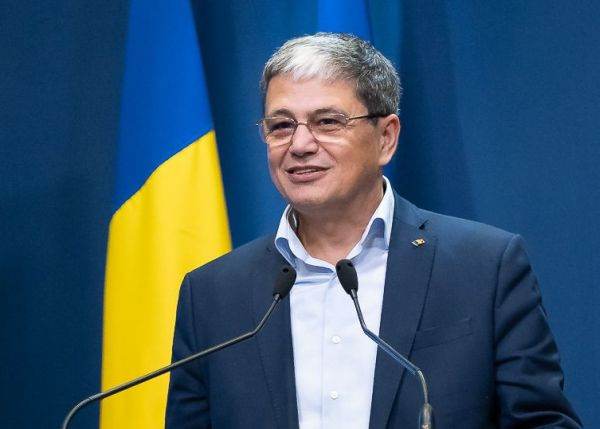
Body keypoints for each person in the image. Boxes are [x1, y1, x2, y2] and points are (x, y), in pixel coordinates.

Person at [166, 33, 581, 429]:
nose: (300, 144)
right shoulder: (212, 295)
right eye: (281, 126)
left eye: (327, 121)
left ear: (386, 138)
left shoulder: (484, 267)